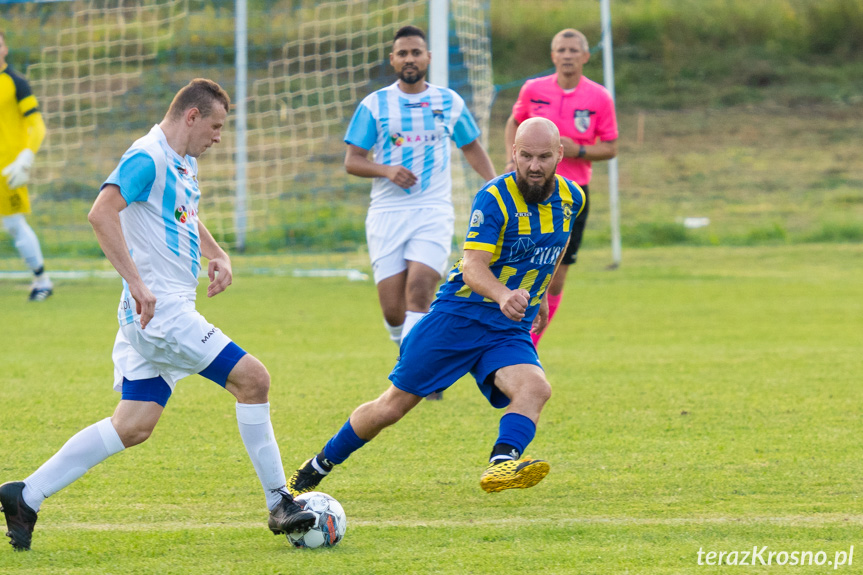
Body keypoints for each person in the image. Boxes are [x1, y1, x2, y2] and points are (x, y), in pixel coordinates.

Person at [0, 79, 315, 552]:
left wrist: (217, 252)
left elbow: (182, 213)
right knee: (254, 380)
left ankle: (26, 494)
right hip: (161, 312)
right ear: (191, 117)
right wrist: (136, 281)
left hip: (155, 314)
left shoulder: (181, 161)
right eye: (215, 126)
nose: (218, 137)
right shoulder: (147, 157)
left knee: (133, 425)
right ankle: (279, 502)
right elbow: (101, 212)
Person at [287, 117, 584, 496]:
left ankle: (501, 465)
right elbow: (473, 266)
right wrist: (505, 295)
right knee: (392, 407)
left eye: (543, 157)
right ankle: (317, 466)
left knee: (535, 388)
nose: (534, 166)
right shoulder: (494, 198)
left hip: (506, 328)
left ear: (559, 154)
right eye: (526, 156)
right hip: (458, 318)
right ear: (513, 153)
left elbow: (553, 247)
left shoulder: (573, 197)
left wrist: (537, 294)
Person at [344, 25, 496, 400]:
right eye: (403, 53)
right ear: (393, 60)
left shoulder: (449, 103)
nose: (410, 58)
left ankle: (419, 376)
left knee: (420, 292)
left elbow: (472, 147)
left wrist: (496, 186)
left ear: (428, 58)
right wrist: (386, 170)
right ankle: (409, 352)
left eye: (416, 52)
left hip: (432, 210)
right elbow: (352, 161)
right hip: (386, 214)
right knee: (394, 311)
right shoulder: (375, 105)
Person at [504, 28, 618, 346]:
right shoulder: (533, 89)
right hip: (528, 189)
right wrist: (511, 161)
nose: (567, 56)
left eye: (573, 50)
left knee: (555, 276)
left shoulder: (599, 97)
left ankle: (528, 346)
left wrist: (578, 149)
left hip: (571, 196)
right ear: (553, 56)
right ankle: (502, 339)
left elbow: (610, 147)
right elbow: (515, 122)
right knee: (515, 264)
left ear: (585, 56)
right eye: (561, 50)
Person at [0, 29, 53, 301]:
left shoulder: (15, 83)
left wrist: (26, 157)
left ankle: (42, 280)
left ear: (5, 48)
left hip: (6, 171)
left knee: (14, 224)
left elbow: (36, 125)